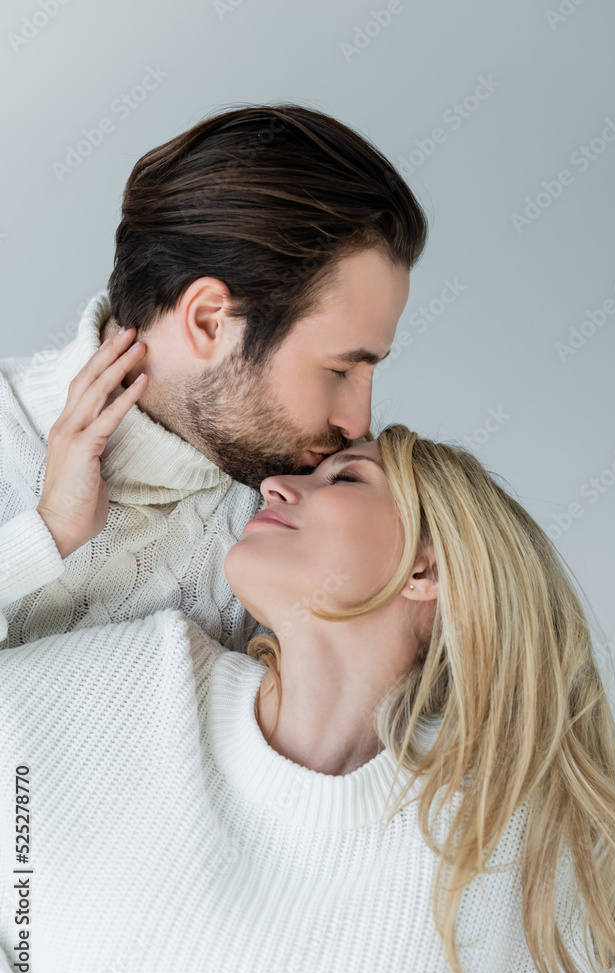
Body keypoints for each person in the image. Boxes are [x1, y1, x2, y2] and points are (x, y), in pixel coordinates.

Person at [1, 424, 615, 973]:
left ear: (424, 569)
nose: (276, 488)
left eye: (345, 480)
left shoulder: (489, 833)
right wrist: (43, 536)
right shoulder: (144, 682)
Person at [0, 102, 426, 650]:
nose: (358, 421)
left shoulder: (285, 531)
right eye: (340, 368)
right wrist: (45, 536)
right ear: (208, 321)